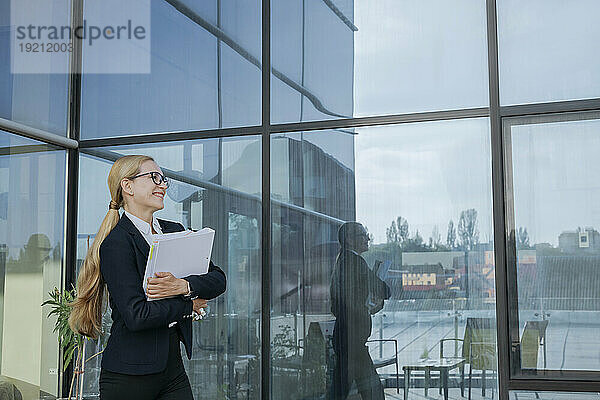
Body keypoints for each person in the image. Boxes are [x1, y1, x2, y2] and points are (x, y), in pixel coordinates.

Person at [69, 155, 226, 400]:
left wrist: (183, 285)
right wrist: (188, 305)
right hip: (128, 375)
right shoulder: (117, 244)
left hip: (172, 368)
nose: (162, 184)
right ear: (127, 186)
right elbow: (136, 315)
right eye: (154, 177)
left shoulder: (175, 230)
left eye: (163, 179)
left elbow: (218, 279)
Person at [329, 222, 390, 400]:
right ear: (349, 239)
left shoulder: (343, 261)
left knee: (341, 390)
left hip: (348, 338)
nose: (367, 238)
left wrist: (368, 305)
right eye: (363, 235)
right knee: (373, 391)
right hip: (353, 340)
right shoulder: (355, 262)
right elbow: (384, 290)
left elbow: (344, 303)